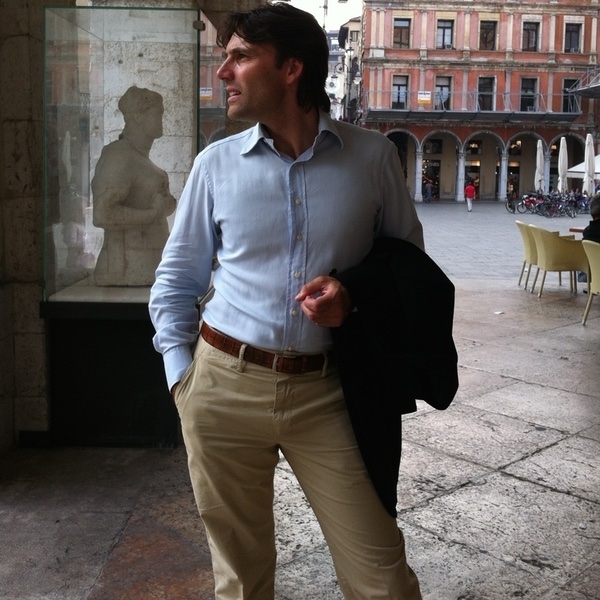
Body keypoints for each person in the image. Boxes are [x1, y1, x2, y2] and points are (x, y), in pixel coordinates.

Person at [149, 4, 424, 599]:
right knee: (241, 582)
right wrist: (183, 381)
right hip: (222, 386)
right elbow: (175, 282)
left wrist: (353, 296)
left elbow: (409, 270)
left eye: (241, 57)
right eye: (225, 57)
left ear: (292, 68)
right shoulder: (215, 165)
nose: (223, 72)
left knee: (383, 578)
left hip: (331, 391)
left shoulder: (372, 158)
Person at [92, 86, 176, 286]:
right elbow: (103, 214)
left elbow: (157, 204)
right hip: (126, 269)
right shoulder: (119, 155)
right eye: (158, 114)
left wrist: (166, 204)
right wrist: (152, 214)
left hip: (148, 267)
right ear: (138, 116)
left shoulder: (140, 158)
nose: (161, 120)